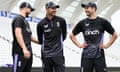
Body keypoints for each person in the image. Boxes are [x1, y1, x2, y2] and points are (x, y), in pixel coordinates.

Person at [70, 2, 117, 72]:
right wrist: (79, 45)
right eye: (85, 8)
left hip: (99, 56)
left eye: (87, 8)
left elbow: (115, 35)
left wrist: (107, 45)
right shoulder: (82, 23)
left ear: (94, 9)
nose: (85, 10)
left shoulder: (102, 22)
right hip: (86, 56)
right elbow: (71, 35)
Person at [37, 1, 67, 72]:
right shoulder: (41, 24)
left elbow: (64, 36)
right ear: (47, 9)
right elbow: (40, 40)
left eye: (55, 8)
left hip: (58, 54)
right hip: (46, 55)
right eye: (52, 8)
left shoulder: (61, 21)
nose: (55, 10)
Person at [11, 2, 39, 72]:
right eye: (30, 9)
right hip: (20, 51)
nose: (30, 12)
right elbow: (18, 33)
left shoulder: (26, 22)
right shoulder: (18, 18)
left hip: (28, 51)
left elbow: (29, 36)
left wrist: (40, 41)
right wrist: (24, 49)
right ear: (25, 8)